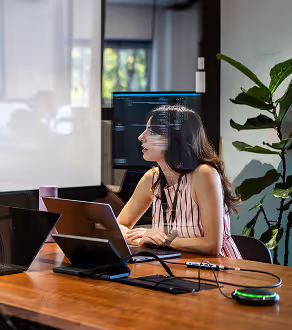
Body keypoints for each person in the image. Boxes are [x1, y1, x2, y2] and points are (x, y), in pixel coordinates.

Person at [117, 105, 241, 258]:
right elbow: (119, 227)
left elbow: (211, 246)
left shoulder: (204, 174)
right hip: (175, 267)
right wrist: (141, 239)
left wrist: (161, 241)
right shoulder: (152, 177)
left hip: (218, 271)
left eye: (151, 132)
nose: (141, 137)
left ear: (174, 139)